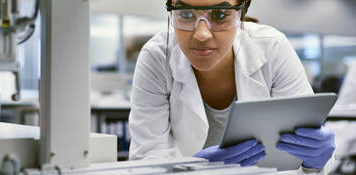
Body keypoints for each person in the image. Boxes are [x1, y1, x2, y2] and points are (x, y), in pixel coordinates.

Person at [128, 0, 335, 174]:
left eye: (219, 14)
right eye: (186, 13)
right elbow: (146, 164)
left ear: (241, 13)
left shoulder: (273, 48)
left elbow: (294, 163)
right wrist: (194, 168)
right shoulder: (157, 57)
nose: (201, 34)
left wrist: (313, 165)